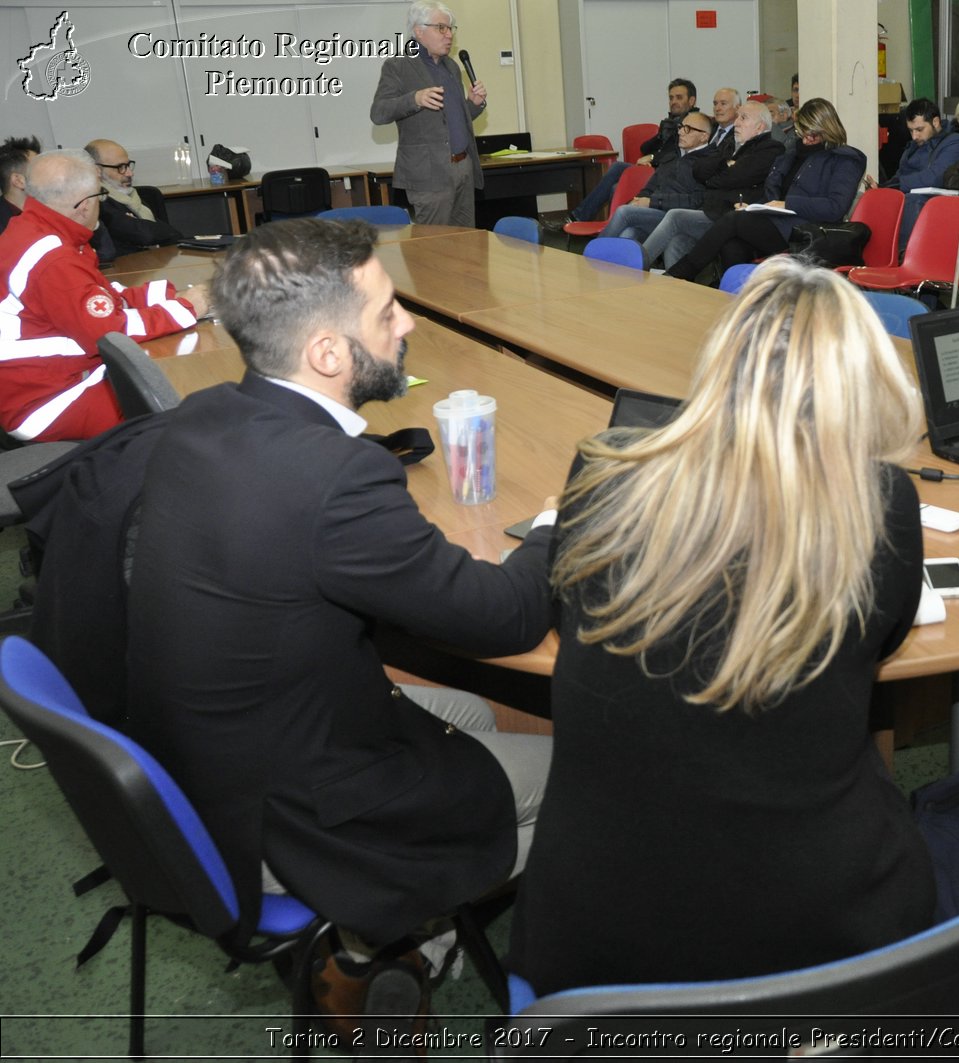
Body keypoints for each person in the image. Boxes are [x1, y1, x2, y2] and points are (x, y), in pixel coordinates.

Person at [125, 218, 557, 1016]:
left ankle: (405, 942)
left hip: (211, 761)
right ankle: (385, 934)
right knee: (587, 774)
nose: (408, 324)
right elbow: (507, 616)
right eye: (388, 312)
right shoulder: (338, 479)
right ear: (328, 352)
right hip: (295, 809)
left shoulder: (202, 415)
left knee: (463, 707)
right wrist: (557, 529)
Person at [508, 257, 934, 994]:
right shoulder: (882, 503)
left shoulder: (600, 473)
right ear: (859, 383)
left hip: (594, 939)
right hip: (817, 935)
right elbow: (880, 642)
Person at [0, 150, 206, 443]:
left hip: (48, 381)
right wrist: (188, 308)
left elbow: (105, 298)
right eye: (100, 196)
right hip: (48, 401)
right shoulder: (54, 258)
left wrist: (175, 295)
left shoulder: (39, 230)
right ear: (84, 205)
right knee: (181, 412)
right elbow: (109, 332)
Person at [666, 98, 865, 284]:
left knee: (734, 220)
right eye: (802, 132)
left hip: (807, 232)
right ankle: (735, 298)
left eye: (811, 133)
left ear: (826, 130)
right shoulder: (792, 154)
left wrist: (787, 204)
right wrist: (755, 206)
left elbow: (835, 208)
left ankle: (679, 275)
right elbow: (773, 193)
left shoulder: (845, 160)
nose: (805, 139)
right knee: (732, 244)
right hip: (777, 222)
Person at [369, 2, 484, 227]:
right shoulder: (398, 66)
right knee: (434, 247)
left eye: (451, 29)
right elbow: (378, 113)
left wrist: (473, 104)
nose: (449, 35)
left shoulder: (450, 67)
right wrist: (414, 99)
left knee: (466, 245)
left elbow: (452, 122)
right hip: (428, 175)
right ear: (419, 31)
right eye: (441, 28)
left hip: (462, 167)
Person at [642, 102, 785, 270]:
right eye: (738, 116)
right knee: (677, 241)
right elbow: (699, 170)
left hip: (729, 215)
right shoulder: (731, 144)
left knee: (675, 217)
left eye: (743, 118)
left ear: (760, 127)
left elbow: (733, 178)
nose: (737, 122)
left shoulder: (770, 149)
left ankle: (637, 266)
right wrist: (727, 163)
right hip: (710, 209)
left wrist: (717, 174)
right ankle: (678, 291)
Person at [565, 77, 699, 225]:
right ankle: (604, 223)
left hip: (666, 173)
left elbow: (675, 154)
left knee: (617, 168)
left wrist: (653, 157)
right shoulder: (672, 121)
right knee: (616, 186)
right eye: (671, 98)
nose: (674, 102)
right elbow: (644, 148)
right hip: (654, 168)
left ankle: (581, 218)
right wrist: (661, 134)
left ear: (691, 101)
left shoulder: (692, 125)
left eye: (679, 97)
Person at [596, 111, 715, 244]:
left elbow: (695, 201)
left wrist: (652, 202)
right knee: (629, 234)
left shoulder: (709, 162)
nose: (681, 132)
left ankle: (591, 257)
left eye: (688, 129)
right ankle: (616, 263)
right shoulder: (673, 156)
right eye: (681, 127)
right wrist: (638, 200)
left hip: (676, 217)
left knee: (624, 212)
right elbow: (650, 186)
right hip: (654, 212)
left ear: (704, 137)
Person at [865, 97, 959, 248]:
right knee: (870, 200)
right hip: (909, 195)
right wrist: (881, 188)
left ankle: (902, 257)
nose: (914, 136)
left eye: (919, 130)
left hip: (937, 202)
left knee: (911, 201)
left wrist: (893, 187)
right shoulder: (914, 146)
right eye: (911, 130)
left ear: (936, 122)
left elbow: (934, 178)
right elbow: (899, 176)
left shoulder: (955, 143)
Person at [83, 139, 185, 257]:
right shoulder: (97, 201)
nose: (130, 173)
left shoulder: (131, 196)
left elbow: (166, 234)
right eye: (120, 167)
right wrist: (168, 232)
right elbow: (145, 234)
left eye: (128, 165)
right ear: (96, 171)